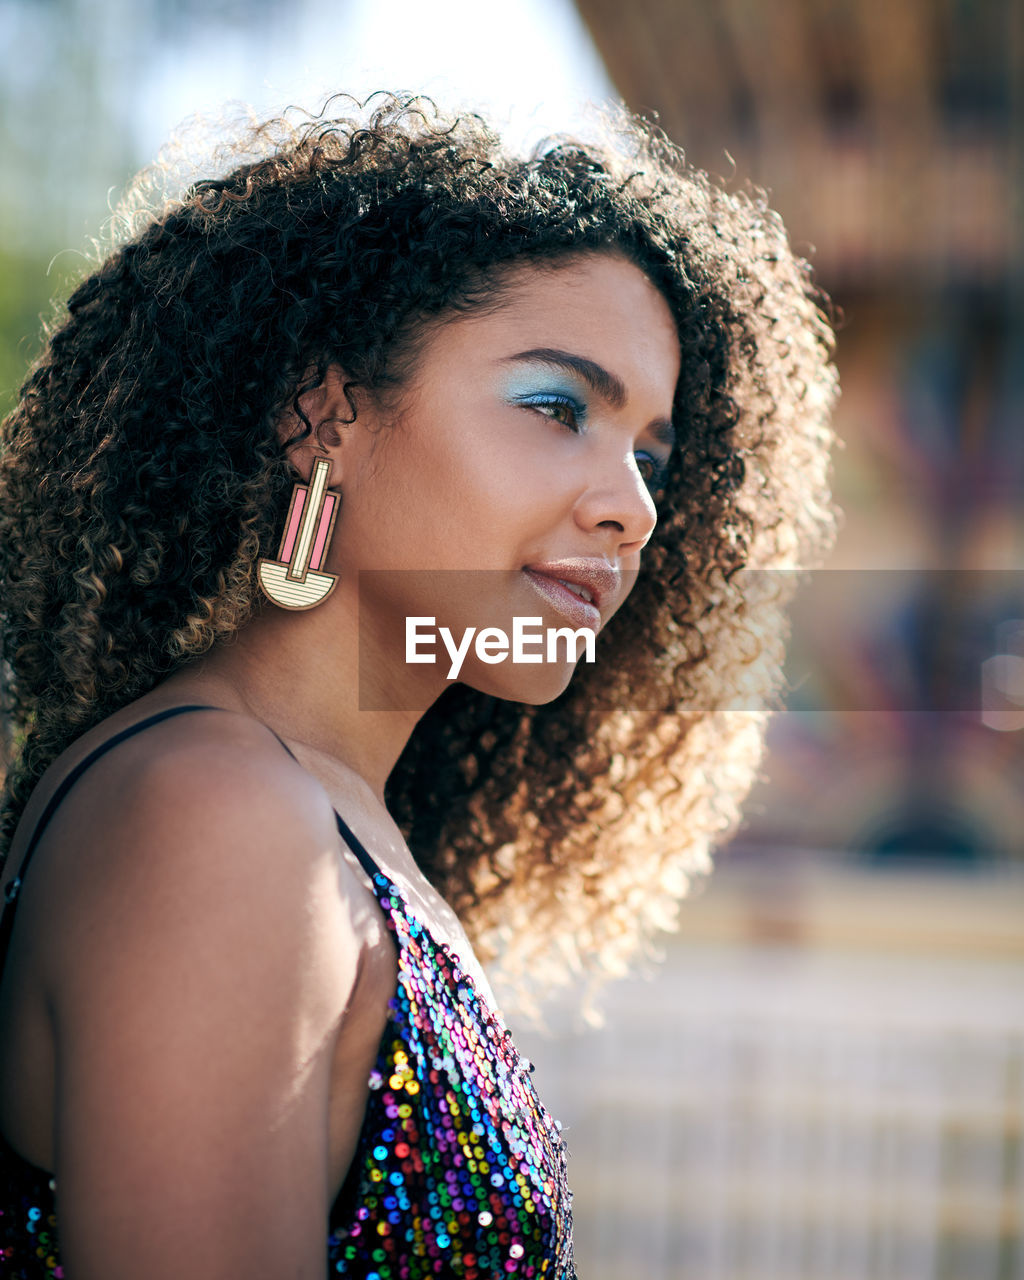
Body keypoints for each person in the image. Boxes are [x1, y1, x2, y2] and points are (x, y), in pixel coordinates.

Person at [0, 91, 839, 1278]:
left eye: (651, 457)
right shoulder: (219, 820)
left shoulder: (324, 816)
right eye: (556, 406)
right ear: (321, 417)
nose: (634, 505)